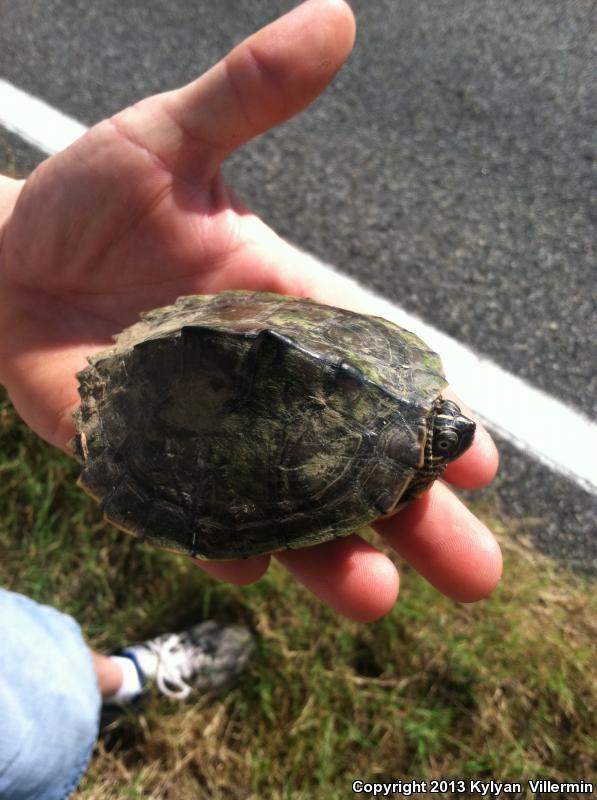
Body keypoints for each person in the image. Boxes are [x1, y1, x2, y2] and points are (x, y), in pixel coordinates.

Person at [0, 1, 502, 797]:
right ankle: (109, 682)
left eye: (440, 431)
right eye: (441, 430)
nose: (444, 428)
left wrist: (9, 245)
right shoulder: (392, 415)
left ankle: (108, 679)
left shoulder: (392, 378)